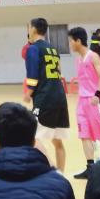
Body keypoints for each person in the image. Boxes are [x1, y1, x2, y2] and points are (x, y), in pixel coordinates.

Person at [24, 17, 69, 172]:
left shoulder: (33, 49)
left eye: (29, 27)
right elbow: (59, 72)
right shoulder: (53, 49)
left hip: (45, 98)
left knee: (31, 136)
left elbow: (32, 76)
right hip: (60, 97)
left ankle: (52, 171)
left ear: (34, 29)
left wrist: (28, 93)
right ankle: (61, 175)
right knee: (57, 141)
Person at [69, 27, 100, 179]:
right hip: (82, 101)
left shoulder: (93, 56)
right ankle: (90, 168)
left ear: (78, 41)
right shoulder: (78, 59)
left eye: (71, 41)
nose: (70, 44)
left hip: (95, 100)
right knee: (84, 134)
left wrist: (97, 94)